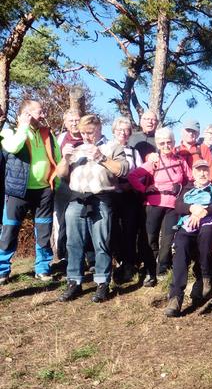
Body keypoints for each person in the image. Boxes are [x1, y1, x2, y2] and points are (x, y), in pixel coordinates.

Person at [55, 115, 129, 302]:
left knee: (101, 242)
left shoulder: (113, 146)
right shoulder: (77, 149)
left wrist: (101, 157)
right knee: (73, 243)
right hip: (76, 199)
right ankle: (74, 282)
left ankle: (103, 282)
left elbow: (123, 170)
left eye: (90, 132)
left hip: (101, 199)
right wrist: (65, 159)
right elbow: (61, 174)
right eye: (83, 133)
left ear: (99, 129)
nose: (86, 136)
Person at [0, 100, 60, 285]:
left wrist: (55, 184)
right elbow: (13, 147)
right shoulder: (9, 131)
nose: (43, 115)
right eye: (39, 112)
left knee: (44, 231)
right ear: (26, 114)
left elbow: (57, 159)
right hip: (17, 191)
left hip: (44, 191)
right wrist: (23, 127)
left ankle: (42, 268)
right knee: (9, 230)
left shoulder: (47, 133)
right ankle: (2, 270)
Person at [128, 127, 190, 286]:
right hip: (153, 204)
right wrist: (144, 189)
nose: (166, 145)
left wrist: (183, 193)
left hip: (173, 206)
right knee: (151, 239)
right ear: (157, 144)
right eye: (162, 143)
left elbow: (190, 180)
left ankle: (161, 269)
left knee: (168, 240)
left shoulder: (180, 161)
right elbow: (133, 176)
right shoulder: (153, 161)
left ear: (174, 142)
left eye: (169, 142)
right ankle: (150, 270)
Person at [165, 160, 212, 317]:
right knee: (180, 243)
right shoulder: (187, 188)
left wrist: (203, 211)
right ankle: (176, 296)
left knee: (207, 234)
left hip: (208, 224)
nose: (202, 173)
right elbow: (178, 205)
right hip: (188, 225)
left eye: (205, 170)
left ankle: (206, 276)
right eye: (199, 170)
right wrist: (192, 208)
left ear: (209, 172)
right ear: (193, 173)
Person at [109, 117, 143, 283]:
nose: (122, 133)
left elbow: (141, 174)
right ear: (114, 131)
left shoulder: (134, 152)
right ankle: (116, 264)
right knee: (113, 231)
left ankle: (129, 265)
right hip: (111, 195)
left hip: (130, 195)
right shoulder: (107, 149)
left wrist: (130, 185)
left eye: (126, 130)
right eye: (119, 129)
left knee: (129, 231)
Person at [52, 108, 84, 270]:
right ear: (65, 123)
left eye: (77, 120)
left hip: (84, 185)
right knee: (62, 221)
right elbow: (53, 161)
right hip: (64, 185)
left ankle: (88, 257)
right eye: (71, 121)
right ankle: (64, 256)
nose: (74, 123)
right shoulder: (61, 138)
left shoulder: (88, 136)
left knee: (84, 219)